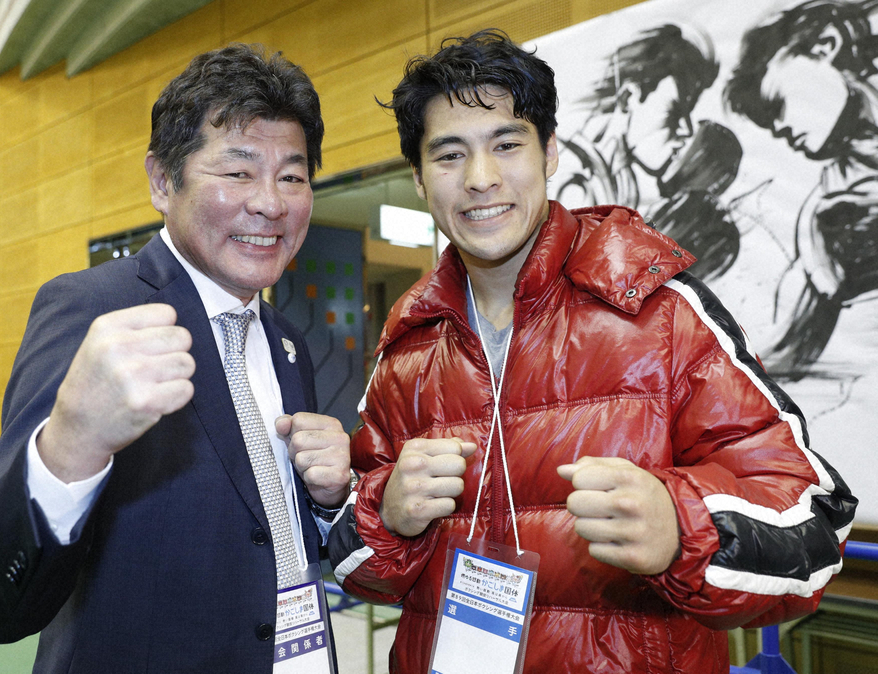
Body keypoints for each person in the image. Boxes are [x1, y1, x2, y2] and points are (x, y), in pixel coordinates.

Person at [328, 30, 856, 673]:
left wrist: (683, 531)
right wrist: (386, 515)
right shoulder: (408, 345)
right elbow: (356, 568)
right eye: (449, 155)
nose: (481, 179)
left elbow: (817, 522)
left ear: (549, 152)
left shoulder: (660, 312)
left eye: (507, 144)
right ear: (417, 177)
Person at [0, 44, 351, 673]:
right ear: (164, 181)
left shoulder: (287, 343)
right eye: (238, 171)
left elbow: (262, 534)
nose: (271, 203)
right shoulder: (92, 310)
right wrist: (69, 447)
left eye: (293, 176)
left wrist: (331, 503)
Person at [724, 0, 878, 377]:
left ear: (824, 46)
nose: (777, 128)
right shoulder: (834, 202)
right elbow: (796, 339)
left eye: (775, 105)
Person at [556, 24, 719, 210]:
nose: (687, 130)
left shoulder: (621, 183)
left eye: (688, 113)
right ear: (628, 99)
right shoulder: (574, 184)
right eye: (674, 113)